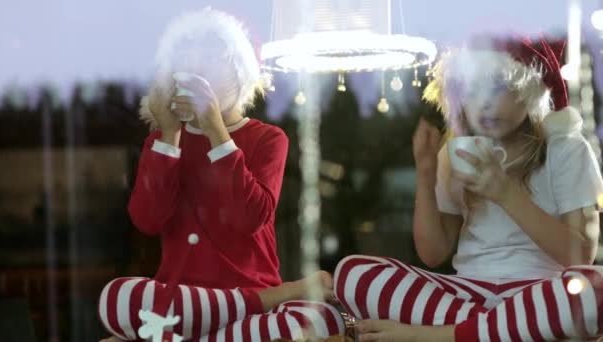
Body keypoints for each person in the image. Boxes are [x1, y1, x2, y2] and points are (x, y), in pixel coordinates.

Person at [333, 36, 603, 341]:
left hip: (538, 290)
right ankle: (502, 331)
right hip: (469, 293)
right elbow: (433, 254)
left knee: (595, 286)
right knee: (352, 272)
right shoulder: (456, 154)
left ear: (528, 92)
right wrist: (425, 172)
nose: (484, 102)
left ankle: (437, 335)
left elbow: (580, 255)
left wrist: (505, 193)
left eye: (497, 87)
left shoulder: (565, 147)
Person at [98, 8, 343, 341]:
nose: (198, 74)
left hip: (250, 306)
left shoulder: (268, 139)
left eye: (211, 64)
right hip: (180, 304)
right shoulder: (163, 139)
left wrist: (215, 129)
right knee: (117, 297)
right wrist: (169, 136)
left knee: (321, 319)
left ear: (240, 73)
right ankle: (272, 299)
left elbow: (250, 218)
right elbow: (147, 220)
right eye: (188, 65)